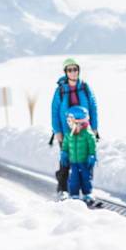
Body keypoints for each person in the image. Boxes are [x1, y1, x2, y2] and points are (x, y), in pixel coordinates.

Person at [51, 58, 99, 199]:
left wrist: (94, 127)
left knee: (86, 161)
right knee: (66, 160)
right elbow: (54, 112)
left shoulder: (85, 87)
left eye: (75, 69)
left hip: (85, 130)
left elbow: (93, 107)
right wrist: (57, 131)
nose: (73, 72)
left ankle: (86, 191)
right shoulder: (60, 90)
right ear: (66, 72)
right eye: (70, 70)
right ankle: (63, 189)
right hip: (67, 132)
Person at [60, 106, 97, 203]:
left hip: (84, 161)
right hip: (73, 162)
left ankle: (87, 193)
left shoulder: (88, 134)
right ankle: (74, 194)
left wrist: (92, 155)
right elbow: (65, 145)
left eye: (70, 121)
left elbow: (92, 146)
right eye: (68, 121)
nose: (69, 124)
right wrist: (64, 152)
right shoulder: (69, 134)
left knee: (86, 178)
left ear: (79, 122)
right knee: (73, 179)